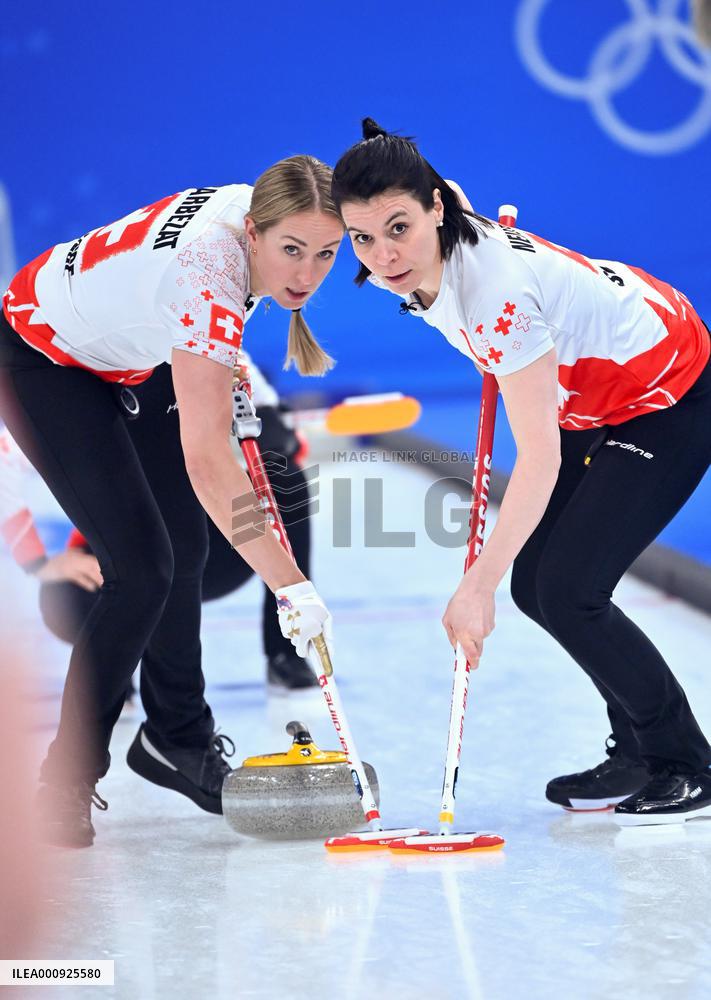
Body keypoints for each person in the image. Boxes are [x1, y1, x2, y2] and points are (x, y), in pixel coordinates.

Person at [331, 119, 711, 826]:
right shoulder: (425, 234)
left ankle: (687, 763)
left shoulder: (496, 301)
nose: (383, 256)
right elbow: (444, 196)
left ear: (435, 209)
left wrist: (474, 587)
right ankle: (636, 747)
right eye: (362, 237)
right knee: (538, 587)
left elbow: (538, 458)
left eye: (398, 229)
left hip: (666, 390)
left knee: (568, 590)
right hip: (589, 393)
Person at [0, 157, 340, 847]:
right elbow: (209, 464)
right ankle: (64, 778)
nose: (306, 273)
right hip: (45, 357)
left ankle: (175, 738)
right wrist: (291, 586)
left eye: (326, 253)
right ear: (254, 233)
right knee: (141, 570)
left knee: (185, 545)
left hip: (132, 355)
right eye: (292, 250)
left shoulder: (257, 213)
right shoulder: (209, 273)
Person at [1, 359, 317, 693]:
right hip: (120, 563)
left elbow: (259, 398)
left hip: (212, 551)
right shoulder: (92, 365)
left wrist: (274, 428)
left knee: (284, 478)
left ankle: (287, 653)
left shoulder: (201, 344)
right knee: (64, 599)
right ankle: (113, 672)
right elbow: (6, 461)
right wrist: (38, 564)